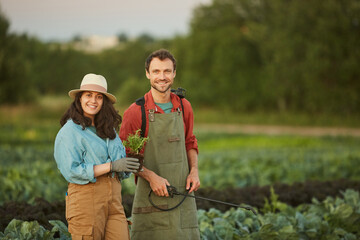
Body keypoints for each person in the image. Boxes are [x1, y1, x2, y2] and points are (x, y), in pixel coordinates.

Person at [120, 49, 201, 239]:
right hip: (150, 197)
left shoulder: (184, 106)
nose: (162, 77)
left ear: (174, 74)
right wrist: (151, 177)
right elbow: (125, 156)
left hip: (182, 193)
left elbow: (190, 142)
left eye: (167, 71)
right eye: (156, 72)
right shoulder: (135, 112)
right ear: (148, 74)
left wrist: (194, 171)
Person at [54, 73, 140, 240]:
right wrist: (111, 166)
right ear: (79, 98)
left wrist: (130, 162)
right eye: (88, 95)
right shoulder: (70, 131)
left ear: (104, 101)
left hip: (114, 200)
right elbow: (71, 170)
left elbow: (121, 168)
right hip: (86, 199)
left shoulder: (109, 130)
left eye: (99, 97)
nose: (93, 101)